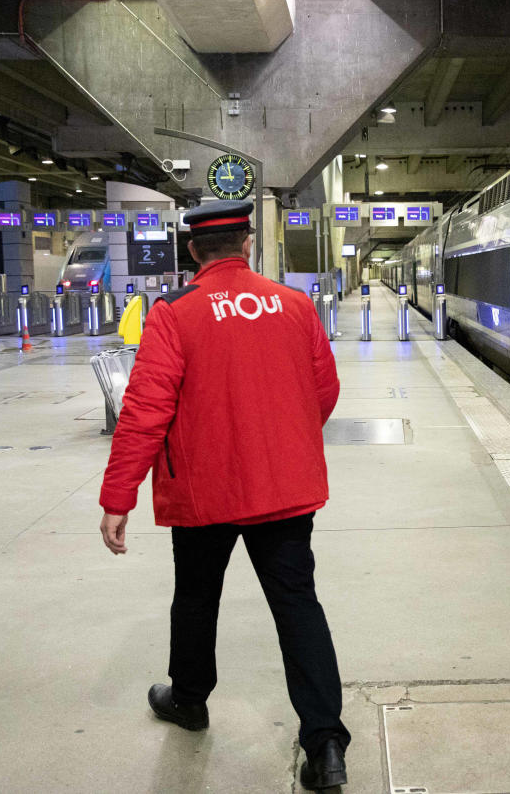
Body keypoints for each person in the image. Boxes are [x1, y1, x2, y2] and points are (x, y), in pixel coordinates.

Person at [98, 200, 350, 791]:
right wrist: (279, 443)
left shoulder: (173, 313)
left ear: (192, 252)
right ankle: (326, 745)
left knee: (195, 598)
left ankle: (188, 699)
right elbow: (325, 390)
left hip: (205, 493)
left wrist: (118, 496)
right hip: (285, 490)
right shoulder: (292, 305)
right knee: (297, 606)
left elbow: (144, 410)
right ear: (247, 245)